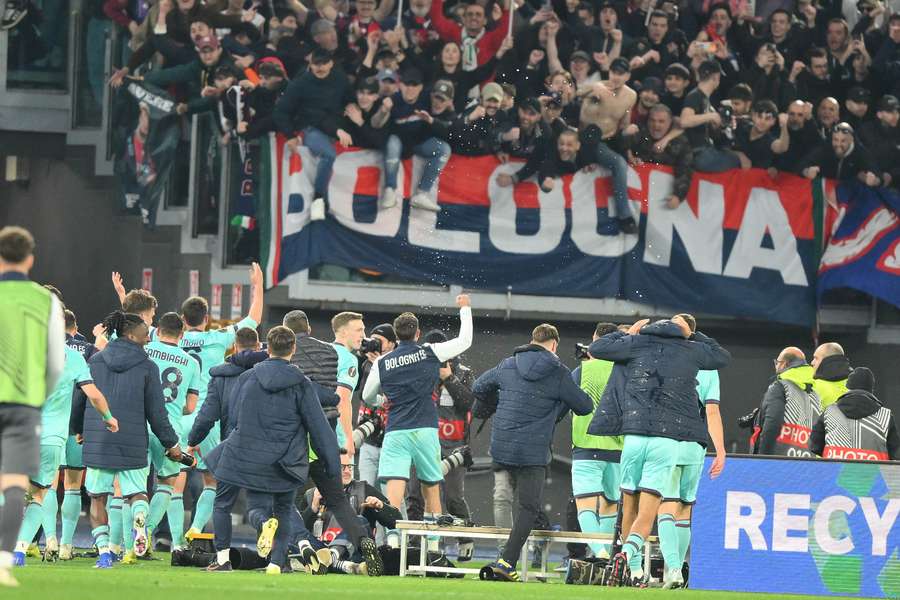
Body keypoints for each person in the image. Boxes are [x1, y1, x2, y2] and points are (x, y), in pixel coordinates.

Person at [587, 315, 730, 586]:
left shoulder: (637, 344)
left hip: (634, 436)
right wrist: (694, 336)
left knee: (629, 502)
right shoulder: (692, 350)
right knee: (655, 510)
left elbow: (597, 348)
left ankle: (634, 570)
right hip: (669, 440)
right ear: (682, 332)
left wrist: (630, 332)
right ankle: (633, 555)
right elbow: (722, 356)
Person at [197, 326, 341, 575]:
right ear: (293, 349)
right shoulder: (302, 384)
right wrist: (332, 464)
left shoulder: (246, 378)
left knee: (222, 503)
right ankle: (276, 563)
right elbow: (318, 427)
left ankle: (222, 559)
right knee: (283, 509)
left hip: (242, 453)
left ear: (267, 349)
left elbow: (234, 418)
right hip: (284, 460)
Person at [471, 323, 592, 582]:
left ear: (533, 340)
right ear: (554, 345)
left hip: (502, 447)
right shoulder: (559, 372)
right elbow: (584, 406)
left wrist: (503, 402)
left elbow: (479, 387)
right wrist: (558, 402)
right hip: (532, 451)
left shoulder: (508, 364)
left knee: (502, 498)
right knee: (529, 507)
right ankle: (507, 561)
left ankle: (503, 555)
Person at [362, 294, 474, 553]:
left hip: (397, 430)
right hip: (425, 429)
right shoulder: (430, 351)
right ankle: (433, 548)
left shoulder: (382, 362)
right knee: (431, 488)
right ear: (418, 333)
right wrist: (465, 308)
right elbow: (466, 340)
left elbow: (367, 396)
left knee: (394, 491)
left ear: (396, 336)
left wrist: (383, 401)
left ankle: (391, 542)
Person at [281, 309, 384, 576]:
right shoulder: (340, 356)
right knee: (336, 498)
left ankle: (299, 550)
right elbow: (341, 400)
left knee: (283, 498)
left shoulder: (310, 352)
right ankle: (363, 541)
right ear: (343, 331)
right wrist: (346, 439)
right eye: (359, 330)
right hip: (325, 436)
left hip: (293, 437)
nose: (364, 335)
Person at [81, 311, 182, 569]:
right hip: (133, 440)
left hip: (99, 437)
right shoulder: (148, 367)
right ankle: (139, 522)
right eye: (145, 333)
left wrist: (77, 429)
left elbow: (80, 398)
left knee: (97, 498)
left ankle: (104, 552)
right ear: (130, 334)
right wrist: (171, 444)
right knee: (137, 494)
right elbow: (157, 413)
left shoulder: (95, 361)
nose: (148, 337)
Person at [12, 321, 118, 567]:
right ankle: (19, 550)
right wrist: (109, 418)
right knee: (39, 494)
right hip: (52, 438)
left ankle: (29, 543)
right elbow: (93, 394)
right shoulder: (73, 358)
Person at [0, 226, 65, 586]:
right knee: (14, 484)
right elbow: (55, 361)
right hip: (23, 404)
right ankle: (2, 562)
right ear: (30, 259)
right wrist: (40, 394)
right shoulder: (46, 301)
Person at [180, 262, 263, 541]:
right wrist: (257, 286)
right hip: (206, 412)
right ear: (206, 318)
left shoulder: (168, 339)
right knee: (211, 480)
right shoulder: (217, 338)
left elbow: (138, 326)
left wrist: (123, 297)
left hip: (176, 414)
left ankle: (151, 536)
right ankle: (194, 529)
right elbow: (253, 319)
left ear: (183, 319)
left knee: (168, 482)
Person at [655, 315, 726, 589]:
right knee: (684, 510)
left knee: (666, 506)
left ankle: (672, 569)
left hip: (669, 440)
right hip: (696, 444)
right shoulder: (708, 365)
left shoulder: (665, 359)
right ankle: (680, 570)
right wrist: (720, 450)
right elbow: (712, 410)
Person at [405, 329, 477, 560]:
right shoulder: (418, 370)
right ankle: (416, 545)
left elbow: (469, 404)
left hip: (454, 446)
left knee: (453, 498)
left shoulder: (463, 372)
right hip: (423, 443)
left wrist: (448, 378)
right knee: (415, 496)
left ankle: (465, 539)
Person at [140, 313, 203, 557]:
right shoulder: (191, 362)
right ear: (182, 334)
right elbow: (190, 405)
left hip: (139, 424)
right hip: (169, 428)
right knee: (167, 483)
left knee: (132, 487)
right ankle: (145, 534)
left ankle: (120, 542)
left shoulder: (143, 350)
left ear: (158, 331)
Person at [273, 48, 352, 221]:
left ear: (331, 63)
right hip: (310, 128)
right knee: (328, 155)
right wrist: (290, 135)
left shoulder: (340, 79)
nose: (320, 67)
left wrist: (353, 107)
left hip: (335, 128)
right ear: (311, 64)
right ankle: (318, 199)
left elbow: (349, 98)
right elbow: (281, 112)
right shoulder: (300, 84)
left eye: (324, 63)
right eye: (317, 64)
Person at [569, 322, 621, 560]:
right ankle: (607, 556)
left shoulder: (581, 371)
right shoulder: (624, 369)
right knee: (611, 504)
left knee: (585, 505)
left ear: (594, 339)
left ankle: (599, 553)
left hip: (586, 447)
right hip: (617, 449)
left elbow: (568, 404)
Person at [301, 454, 402, 575]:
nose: (348, 471)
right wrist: (312, 508)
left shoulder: (365, 489)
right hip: (319, 548)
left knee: (356, 520)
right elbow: (300, 529)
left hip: (354, 552)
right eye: (342, 467)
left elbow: (396, 521)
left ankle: (329, 558)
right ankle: (343, 566)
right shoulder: (312, 494)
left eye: (349, 467)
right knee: (291, 531)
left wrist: (381, 506)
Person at [375, 67, 450, 212]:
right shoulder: (392, 100)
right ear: (400, 85)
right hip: (396, 143)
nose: (410, 88)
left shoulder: (428, 98)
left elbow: (445, 117)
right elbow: (376, 124)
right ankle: (390, 189)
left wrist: (445, 111)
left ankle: (422, 194)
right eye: (407, 84)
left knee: (444, 148)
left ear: (421, 87)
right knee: (392, 143)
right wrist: (383, 111)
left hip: (419, 143)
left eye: (414, 85)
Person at [577, 57, 638, 233]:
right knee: (618, 162)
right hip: (586, 139)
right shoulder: (596, 87)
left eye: (621, 74)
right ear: (609, 72)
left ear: (627, 75)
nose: (616, 77)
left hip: (609, 139)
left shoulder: (631, 96)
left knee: (623, 158)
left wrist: (628, 139)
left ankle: (624, 217)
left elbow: (624, 124)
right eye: (613, 72)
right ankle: (625, 216)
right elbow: (571, 94)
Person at [59, 309, 100, 561]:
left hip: (45, 427)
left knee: (45, 487)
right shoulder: (86, 349)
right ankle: (65, 545)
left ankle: (42, 541)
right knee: (73, 486)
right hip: (75, 428)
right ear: (75, 328)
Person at [810, 367, 900, 461]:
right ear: (871, 390)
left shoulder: (830, 412)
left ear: (848, 387)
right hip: (873, 475)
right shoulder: (885, 416)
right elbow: (896, 455)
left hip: (835, 474)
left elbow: (814, 446)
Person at [752, 347, 820, 457]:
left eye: (777, 363)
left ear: (784, 364)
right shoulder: (815, 391)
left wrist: (763, 458)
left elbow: (773, 423)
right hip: (808, 461)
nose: (776, 366)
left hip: (780, 461)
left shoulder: (780, 387)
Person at [626, 104, 693, 209]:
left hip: (663, 200)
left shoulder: (680, 142)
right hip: (636, 201)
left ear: (670, 122)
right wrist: (630, 156)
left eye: (661, 121)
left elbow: (685, 171)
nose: (656, 125)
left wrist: (678, 196)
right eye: (652, 120)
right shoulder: (640, 131)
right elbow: (621, 146)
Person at [681, 59, 742, 173]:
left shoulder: (705, 99)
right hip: (699, 153)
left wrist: (720, 124)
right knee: (738, 160)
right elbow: (685, 120)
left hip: (705, 151)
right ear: (715, 77)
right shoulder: (695, 96)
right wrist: (711, 116)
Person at [800, 123, 881, 186]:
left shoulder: (860, 152)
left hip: (850, 192)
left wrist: (873, 180)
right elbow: (801, 165)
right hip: (826, 189)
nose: (838, 144)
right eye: (835, 140)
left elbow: (878, 175)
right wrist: (807, 172)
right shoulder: (825, 147)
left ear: (851, 140)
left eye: (843, 141)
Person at [859, 95, 900, 189]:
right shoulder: (865, 130)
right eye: (890, 112)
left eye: (897, 111)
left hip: (894, 184)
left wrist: (891, 175)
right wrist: (877, 176)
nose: (895, 115)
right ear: (879, 114)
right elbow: (859, 157)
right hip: (868, 181)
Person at [811, 342, 851, 410]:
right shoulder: (858, 386)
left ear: (827, 361)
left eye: (816, 358)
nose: (812, 362)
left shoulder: (814, 387)